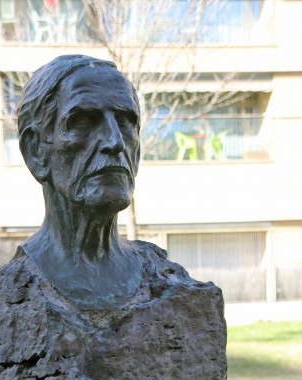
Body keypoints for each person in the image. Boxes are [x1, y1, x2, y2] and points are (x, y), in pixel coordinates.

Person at [16, 54, 190, 310]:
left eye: (125, 123)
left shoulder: (173, 289)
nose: (115, 141)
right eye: (84, 121)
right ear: (36, 151)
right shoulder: (2, 298)